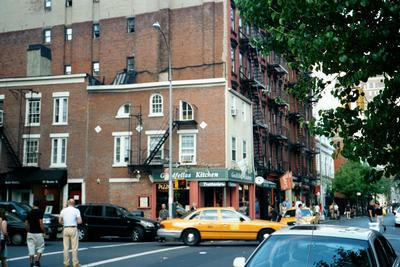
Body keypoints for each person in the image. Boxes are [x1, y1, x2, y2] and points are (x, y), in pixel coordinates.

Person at [59, 199, 82, 267]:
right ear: (74, 204)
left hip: (65, 228)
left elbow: (59, 220)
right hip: (73, 228)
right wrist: (74, 221)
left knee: (66, 247)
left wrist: (65, 223)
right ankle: (75, 263)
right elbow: (80, 221)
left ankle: (66, 263)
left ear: (68, 203)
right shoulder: (76, 210)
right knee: (74, 247)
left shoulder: (63, 210)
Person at [25, 200, 45, 267]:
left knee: (31, 249)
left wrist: (28, 230)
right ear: (39, 205)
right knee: (40, 247)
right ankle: (37, 261)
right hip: (38, 233)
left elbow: (26, 223)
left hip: (30, 233)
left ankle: (31, 263)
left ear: (33, 205)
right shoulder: (40, 212)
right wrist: (43, 231)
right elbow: (41, 223)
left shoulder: (29, 212)